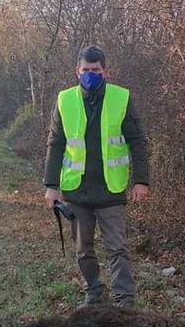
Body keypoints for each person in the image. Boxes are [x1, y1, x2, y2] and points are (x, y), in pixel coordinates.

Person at [43, 45, 149, 309]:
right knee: (83, 249)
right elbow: (55, 143)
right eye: (86, 70)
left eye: (95, 70)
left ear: (105, 71)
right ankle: (93, 292)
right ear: (77, 71)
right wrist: (51, 185)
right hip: (76, 189)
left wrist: (141, 180)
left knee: (118, 248)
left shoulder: (121, 98)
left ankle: (125, 302)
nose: (90, 74)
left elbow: (137, 141)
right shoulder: (64, 100)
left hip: (110, 189)